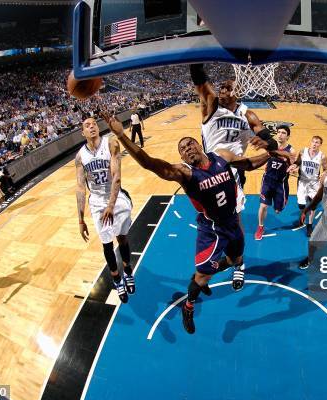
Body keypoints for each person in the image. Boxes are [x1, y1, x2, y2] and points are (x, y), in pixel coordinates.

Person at [102, 112, 290, 334]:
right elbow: (149, 163)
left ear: (199, 145)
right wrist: (122, 135)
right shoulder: (184, 172)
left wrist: (271, 155)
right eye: (182, 149)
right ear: (181, 157)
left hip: (232, 222)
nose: (187, 148)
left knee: (234, 260)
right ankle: (188, 305)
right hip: (212, 230)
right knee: (202, 277)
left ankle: (202, 275)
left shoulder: (221, 155)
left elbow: (248, 164)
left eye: (190, 143)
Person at [190, 63, 278, 214]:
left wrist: (266, 143)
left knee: (233, 215)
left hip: (236, 168)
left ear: (239, 92)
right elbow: (200, 82)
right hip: (210, 169)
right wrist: (197, 62)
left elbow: (273, 143)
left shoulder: (248, 115)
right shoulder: (212, 107)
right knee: (211, 215)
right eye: (222, 87)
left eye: (228, 88)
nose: (223, 90)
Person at [75, 116, 135, 304]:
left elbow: (117, 176)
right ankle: (118, 281)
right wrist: (80, 219)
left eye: (93, 124)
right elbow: (80, 187)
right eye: (87, 125)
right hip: (97, 202)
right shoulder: (80, 157)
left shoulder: (111, 144)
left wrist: (110, 205)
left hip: (115, 197)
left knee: (122, 237)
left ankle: (128, 272)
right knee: (107, 243)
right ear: (82, 132)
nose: (91, 126)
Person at [255, 125, 294, 240]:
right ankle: (260, 227)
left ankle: (280, 204)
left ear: (288, 136)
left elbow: (294, 164)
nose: (280, 135)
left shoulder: (291, 150)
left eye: (283, 133)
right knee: (263, 206)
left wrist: (293, 167)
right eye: (279, 132)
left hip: (280, 184)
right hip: (267, 180)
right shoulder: (271, 146)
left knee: (277, 210)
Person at [288, 135, 327, 237]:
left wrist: (324, 174)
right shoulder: (303, 151)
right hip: (302, 181)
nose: (314, 144)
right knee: (301, 204)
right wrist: (294, 166)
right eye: (313, 142)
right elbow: (297, 162)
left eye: (317, 142)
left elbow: (325, 169)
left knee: (312, 204)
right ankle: (303, 215)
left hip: (314, 183)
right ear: (311, 142)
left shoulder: (322, 156)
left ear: (320, 145)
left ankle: (309, 225)